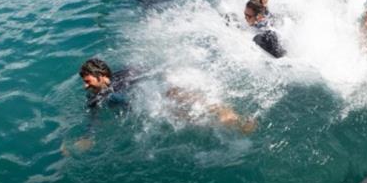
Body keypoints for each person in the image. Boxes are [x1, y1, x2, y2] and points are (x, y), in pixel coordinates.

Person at [78, 58, 255, 132]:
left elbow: (152, 71)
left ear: (102, 77)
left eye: (88, 81)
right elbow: (92, 117)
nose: (85, 86)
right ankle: (230, 126)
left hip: (159, 90)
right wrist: (86, 137)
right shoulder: (96, 97)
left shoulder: (124, 77)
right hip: (148, 103)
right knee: (176, 113)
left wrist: (170, 78)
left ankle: (230, 115)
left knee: (178, 93)